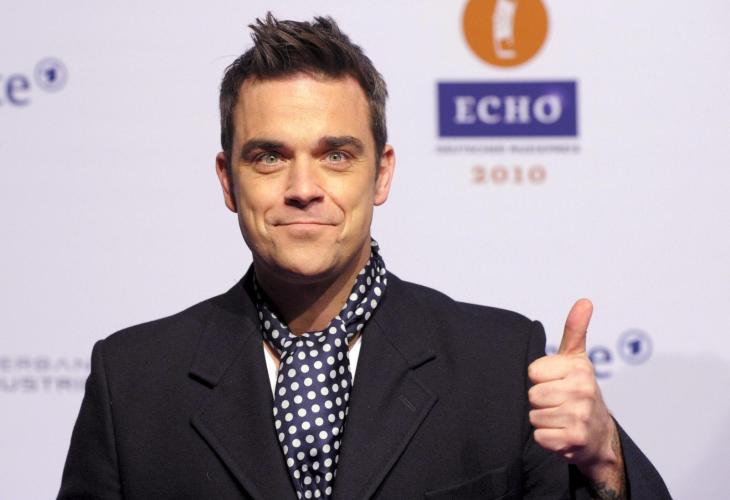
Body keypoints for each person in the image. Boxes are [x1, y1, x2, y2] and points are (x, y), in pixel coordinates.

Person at [58, 13, 670, 500]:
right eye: (269, 156)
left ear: (381, 174)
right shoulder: (131, 384)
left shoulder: (504, 366)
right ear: (227, 181)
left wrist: (606, 459)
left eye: (336, 155)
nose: (303, 187)